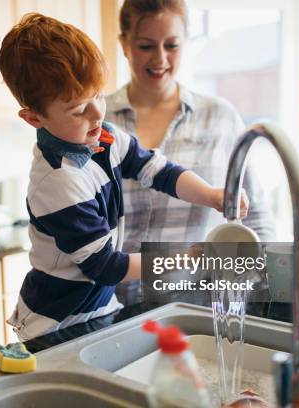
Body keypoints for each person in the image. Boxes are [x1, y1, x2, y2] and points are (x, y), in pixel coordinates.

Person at [0, 13, 248, 341]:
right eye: (78, 109)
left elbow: (160, 171)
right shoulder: (58, 182)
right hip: (56, 325)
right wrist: (181, 260)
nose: (97, 113)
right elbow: (106, 267)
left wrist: (213, 195)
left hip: (99, 311)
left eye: (98, 96)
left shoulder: (103, 137)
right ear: (33, 118)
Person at [106, 0, 276, 255]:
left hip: (200, 292)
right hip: (109, 294)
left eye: (172, 45)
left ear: (186, 41)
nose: (160, 58)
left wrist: (268, 283)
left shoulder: (221, 118)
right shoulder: (95, 121)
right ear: (124, 44)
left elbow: (257, 220)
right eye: (145, 46)